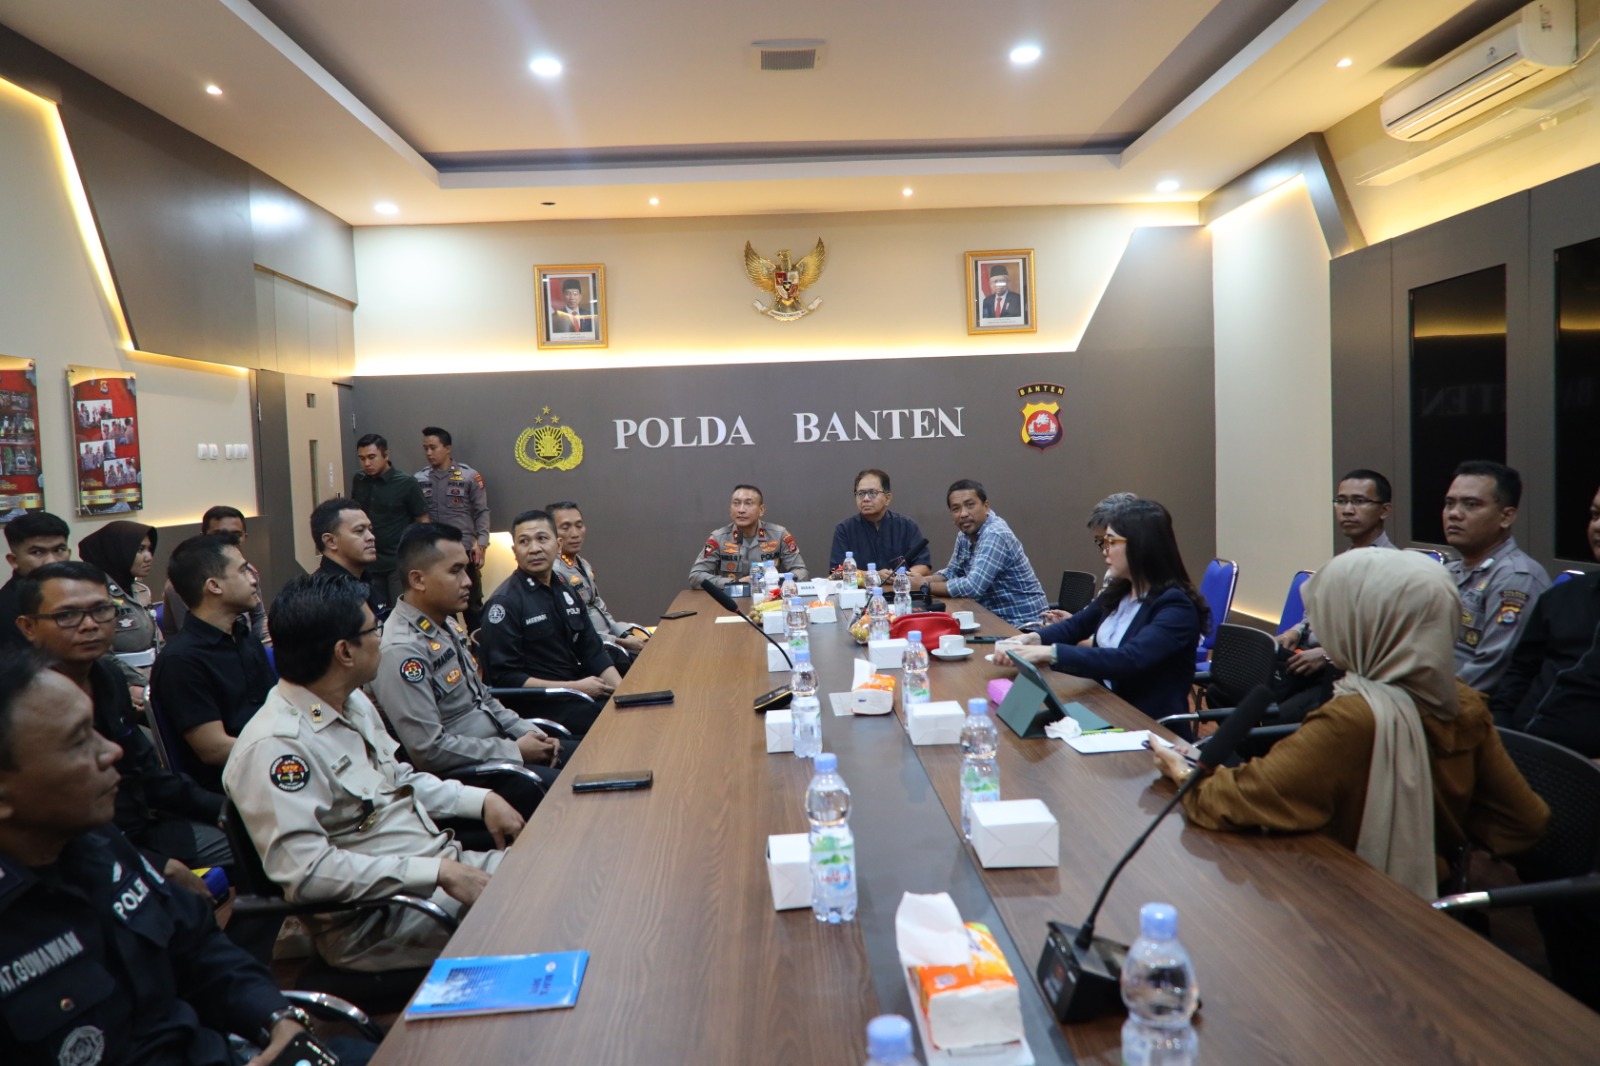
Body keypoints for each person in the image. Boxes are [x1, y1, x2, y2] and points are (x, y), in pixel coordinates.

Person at [1151, 549, 1549, 900]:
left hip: (1347, 900)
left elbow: (1230, 801)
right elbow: (1523, 822)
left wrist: (1182, 771)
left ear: (1360, 625)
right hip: (1437, 898)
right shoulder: (1463, 703)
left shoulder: (1355, 717)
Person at [0, 648, 318, 1065]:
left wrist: (274, 1017)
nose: (111, 751)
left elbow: (200, 947)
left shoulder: (100, 844)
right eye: (78, 741)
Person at [225, 572, 523, 972]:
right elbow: (308, 873)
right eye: (373, 629)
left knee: (557, 867)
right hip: (382, 920)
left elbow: (396, 780)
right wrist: (436, 871)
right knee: (543, 905)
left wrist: (480, 800)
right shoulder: (278, 747)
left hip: (436, 875)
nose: (381, 638)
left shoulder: (350, 702)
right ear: (345, 652)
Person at [16, 561, 227, 879]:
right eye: (68, 615)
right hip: (80, 857)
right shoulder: (20, 702)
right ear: (28, 627)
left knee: (255, 832)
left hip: (146, 829)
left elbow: (147, 773)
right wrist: (152, 864)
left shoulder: (108, 677)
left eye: (101, 610)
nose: (89, 625)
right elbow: (45, 822)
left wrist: (223, 807)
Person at [372, 523, 560, 803]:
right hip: (475, 779)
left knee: (585, 756)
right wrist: (515, 751)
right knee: (572, 787)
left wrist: (530, 732)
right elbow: (429, 752)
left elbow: (484, 699)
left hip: (501, 750)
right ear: (418, 580)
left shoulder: (445, 623)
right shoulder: (401, 650)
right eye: (455, 571)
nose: (468, 581)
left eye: (466, 569)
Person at [1000, 499, 1205, 722]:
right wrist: (1032, 639)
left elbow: (1129, 659)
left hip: (1147, 724)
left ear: (1141, 545)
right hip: (1104, 703)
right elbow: (1076, 625)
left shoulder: (1176, 606)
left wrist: (1050, 653)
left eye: (1111, 542)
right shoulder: (1121, 590)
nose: (1105, 551)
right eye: (1103, 542)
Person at [149, 533, 274, 792]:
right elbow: (214, 749)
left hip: (270, 766)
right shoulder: (181, 661)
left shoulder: (244, 636)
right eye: (243, 571)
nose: (253, 579)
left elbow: (281, 705)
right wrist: (290, 750)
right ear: (214, 586)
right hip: (232, 786)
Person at [1272, 469, 1401, 720]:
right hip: (1304, 661)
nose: (1347, 510)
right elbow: (1314, 615)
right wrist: (1295, 632)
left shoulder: (1394, 568)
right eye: (1341, 501)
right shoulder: (1341, 561)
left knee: (1273, 718)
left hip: (1345, 677)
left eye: (1359, 501)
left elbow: (1385, 637)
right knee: (1224, 692)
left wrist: (1328, 656)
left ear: (1384, 510)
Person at [480, 510, 618, 742]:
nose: (534, 548)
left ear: (558, 545)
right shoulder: (505, 603)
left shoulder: (565, 588)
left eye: (542, 539)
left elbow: (591, 649)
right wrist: (574, 687)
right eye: (524, 542)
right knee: (612, 725)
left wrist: (622, 692)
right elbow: (506, 678)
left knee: (628, 709)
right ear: (515, 551)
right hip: (541, 705)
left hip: (575, 692)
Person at [1491, 483, 1600, 754]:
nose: (1597, 526)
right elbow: (1520, 671)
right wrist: (1498, 730)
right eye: (1595, 515)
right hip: (1521, 744)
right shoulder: (1563, 595)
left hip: (1584, 765)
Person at [1443, 461, 1550, 695]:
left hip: (1469, 705)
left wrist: (1429, 699)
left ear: (1506, 517)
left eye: (1471, 504)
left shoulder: (1516, 577)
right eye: (1450, 503)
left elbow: (1493, 666)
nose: (1454, 514)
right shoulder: (1451, 570)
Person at [919, 479, 1048, 628]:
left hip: (1024, 625)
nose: (963, 514)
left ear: (986, 506)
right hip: (992, 618)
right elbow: (953, 572)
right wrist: (917, 581)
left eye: (970, 505)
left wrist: (924, 586)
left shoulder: (995, 534)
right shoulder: (964, 535)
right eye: (956, 509)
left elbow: (973, 587)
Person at [547, 500, 648, 671]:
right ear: (551, 533)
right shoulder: (555, 573)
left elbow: (599, 607)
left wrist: (623, 633)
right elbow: (575, 631)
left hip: (610, 642)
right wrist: (621, 642)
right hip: (589, 653)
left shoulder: (582, 564)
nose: (575, 533)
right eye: (565, 527)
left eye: (579, 525)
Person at [78, 519, 163, 710]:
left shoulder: (140, 590)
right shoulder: (96, 594)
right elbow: (101, 655)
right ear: (116, 551)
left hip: (150, 679)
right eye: (140, 550)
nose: (148, 557)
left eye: (149, 549)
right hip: (122, 685)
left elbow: (158, 642)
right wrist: (144, 681)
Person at [415, 426, 490, 631]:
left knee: (473, 606)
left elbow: (482, 512)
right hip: (435, 553)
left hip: (463, 550)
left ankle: (479, 646)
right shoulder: (419, 479)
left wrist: (481, 544)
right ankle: (452, 646)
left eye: (433, 447)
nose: (429, 453)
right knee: (442, 606)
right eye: (425, 448)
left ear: (447, 448)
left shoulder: (469, 476)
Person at [160, 506, 270, 645]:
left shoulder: (249, 571)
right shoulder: (187, 579)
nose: (227, 541)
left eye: (236, 535)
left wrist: (266, 646)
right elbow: (194, 636)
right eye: (218, 535)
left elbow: (259, 617)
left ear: (245, 537)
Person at [351, 432, 428, 605]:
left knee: (401, 609)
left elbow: (423, 522)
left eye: (372, 457)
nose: (367, 463)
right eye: (362, 458)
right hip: (369, 560)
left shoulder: (406, 482)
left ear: (386, 455)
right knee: (375, 611)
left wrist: (420, 558)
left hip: (398, 562)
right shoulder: (359, 480)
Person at [1040, 491, 1138, 625]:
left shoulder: (1156, 593)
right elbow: (1098, 617)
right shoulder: (1112, 575)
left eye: (1111, 541)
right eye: (1100, 542)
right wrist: (1072, 622)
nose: (1104, 551)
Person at [687, 483, 808, 589]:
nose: (741, 510)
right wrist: (735, 583)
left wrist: (776, 582)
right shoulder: (718, 538)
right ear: (730, 509)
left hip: (770, 599)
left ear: (761, 509)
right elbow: (696, 576)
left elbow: (801, 572)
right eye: (736, 504)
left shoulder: (779, 535)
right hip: (731, 601)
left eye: (748, 504)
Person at [827, 468, 932, 582]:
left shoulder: (907, 526)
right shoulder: (845, 529)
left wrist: (899, 576)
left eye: (872, 493)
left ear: (887, 498)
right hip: (860, 591)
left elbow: (923, 565)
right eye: (861, 494)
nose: (866, 499)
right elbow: (837, 571)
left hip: (899, 589)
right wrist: (874, 575)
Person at [0, 510, 71, 651]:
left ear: (69, 553)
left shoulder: (77, 590)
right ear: (13, 560)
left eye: (59, 550)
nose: (51, 561)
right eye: (37, 552)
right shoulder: (8, 608)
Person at [310, 496, 388, 620]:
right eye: (359, 531)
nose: (371, 537)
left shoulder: (367, 581)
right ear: (330, 541)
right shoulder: (321, 596)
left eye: (370, 529)